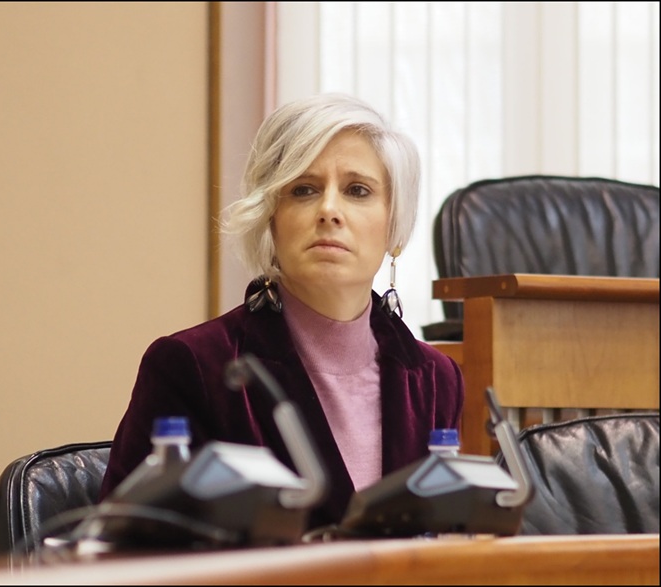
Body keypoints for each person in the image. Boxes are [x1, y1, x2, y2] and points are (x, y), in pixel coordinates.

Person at [99, 93, 464, 533]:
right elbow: (125, 548)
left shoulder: (436, 378)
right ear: (271, 217)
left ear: (394, 226)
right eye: (304, 190)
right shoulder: (193, 366)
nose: (329, 211)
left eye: (357, 190)